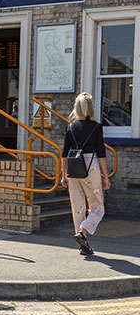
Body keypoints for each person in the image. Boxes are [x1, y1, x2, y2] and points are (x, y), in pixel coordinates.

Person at [60, 92, 110, 255]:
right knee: (98, 207)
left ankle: (83, 245)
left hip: (74, 167)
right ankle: (83, 232)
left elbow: (64, 152)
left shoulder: (70, 127)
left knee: (78, 206)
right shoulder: (96, 127)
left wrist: (63, 174)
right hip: (91, 167)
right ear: (91, 109)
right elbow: (101, 153)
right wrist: (106, 175)